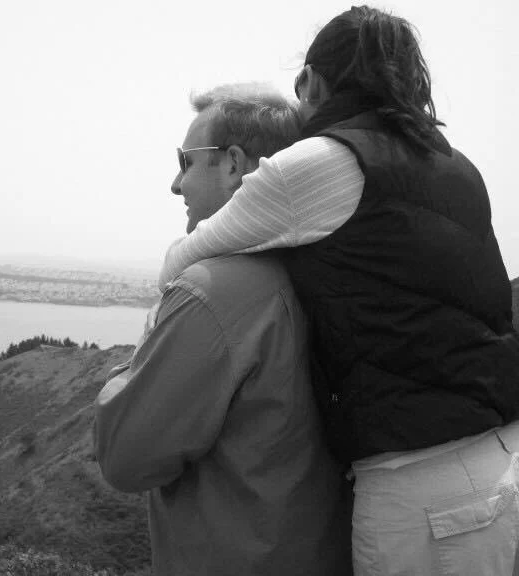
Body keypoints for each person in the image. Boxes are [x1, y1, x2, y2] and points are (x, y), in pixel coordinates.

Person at [156, 6, 519, 576]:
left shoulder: (319, 163)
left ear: (312, 81)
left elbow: (191, 254)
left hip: (419, 487)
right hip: (499, 460)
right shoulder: (458, 167)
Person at [94, 83, 352, 576]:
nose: (176, 184)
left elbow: (124, 458)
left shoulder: (210, 294)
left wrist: (134, 363)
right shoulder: (324, 275)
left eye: (185, 161)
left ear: (233, 164)